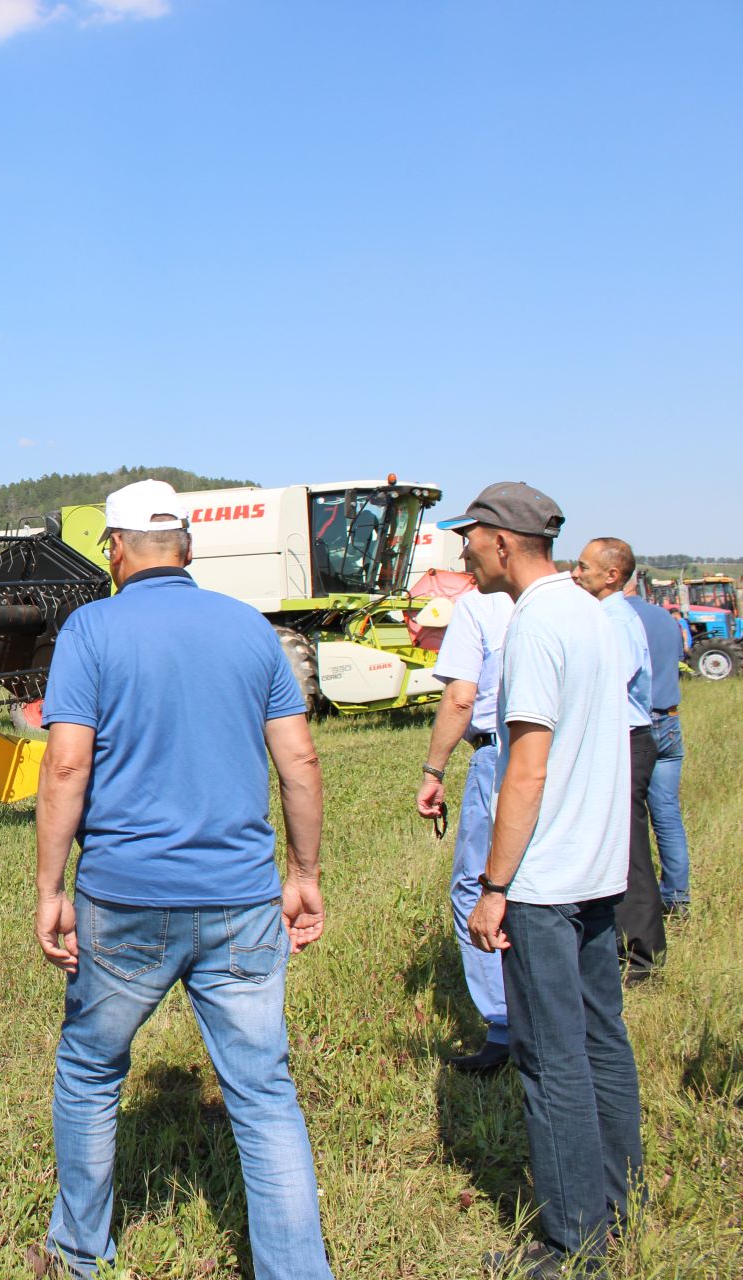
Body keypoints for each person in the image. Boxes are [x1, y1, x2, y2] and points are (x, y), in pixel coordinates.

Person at [30, 479, 330, 1279]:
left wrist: (51, 891)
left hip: (124, 898)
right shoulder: (250, 629)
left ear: (116, 550)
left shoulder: (90, 630)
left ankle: (78, 1254)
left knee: (92, 1071)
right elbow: (298, 759)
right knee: (265, 1095)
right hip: (241, 898)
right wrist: (303, 873)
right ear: (188, 548)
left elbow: (66, 766)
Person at [447, 483, 642, 1277]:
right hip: (599, 868)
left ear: (500, 541)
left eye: (469, 538)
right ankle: (618, 1208)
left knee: (549, 1058)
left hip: (545, 881)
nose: (462, 553)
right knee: (603, 1039)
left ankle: (572, 1242)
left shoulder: (533, 625)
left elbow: (524, 768)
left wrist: (494, 884)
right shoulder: (596, 615)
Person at [416, 581, 516, 1073]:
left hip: (499, 751)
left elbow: (460, 698)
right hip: (566, 752)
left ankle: (503, 1024)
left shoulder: (478, 607)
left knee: (475, 888)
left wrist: (434, 771)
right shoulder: (577, 600)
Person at [570, 538, 664, 981]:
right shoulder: (606, 616)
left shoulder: (615, 622)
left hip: (626, 740)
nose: (575, 572)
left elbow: (609, 679)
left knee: (629, 850)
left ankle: (642, 956)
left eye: (584, 566)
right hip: (620, 739)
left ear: (611, 575)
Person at [625, 577, 692, 915]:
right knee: (666, 813)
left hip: (634, 725)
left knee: (626, 818)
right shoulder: (665, 616)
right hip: (669, 719)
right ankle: (677, 897)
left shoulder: (616, 618)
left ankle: (632, 903)